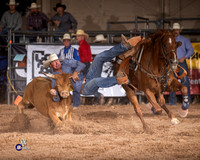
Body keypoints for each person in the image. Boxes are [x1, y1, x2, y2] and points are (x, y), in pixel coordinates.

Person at [43, 35, 132, 106]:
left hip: (87, 77)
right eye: (54, 62)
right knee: (96, 81)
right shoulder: (55, 78)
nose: (57, 63)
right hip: (84, 88)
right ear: (50, 65)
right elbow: (57, 97)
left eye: (57, 60)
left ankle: (123, 47)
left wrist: (75, 72)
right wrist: (54, 94)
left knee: (98, 58)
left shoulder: (66, 62)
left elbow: (81, 64)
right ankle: (120, 79)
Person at [169, 22, 194, 117]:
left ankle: (186, 102)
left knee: (185, 82)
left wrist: (184, 57)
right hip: (172, 63)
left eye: (177, 29)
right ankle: (172, 102)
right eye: (174, 30)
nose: (176, 31)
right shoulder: (170, 40)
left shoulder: (185, 40)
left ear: (179, 30)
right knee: (172, 82)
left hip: (181, 63)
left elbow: (191, 50)